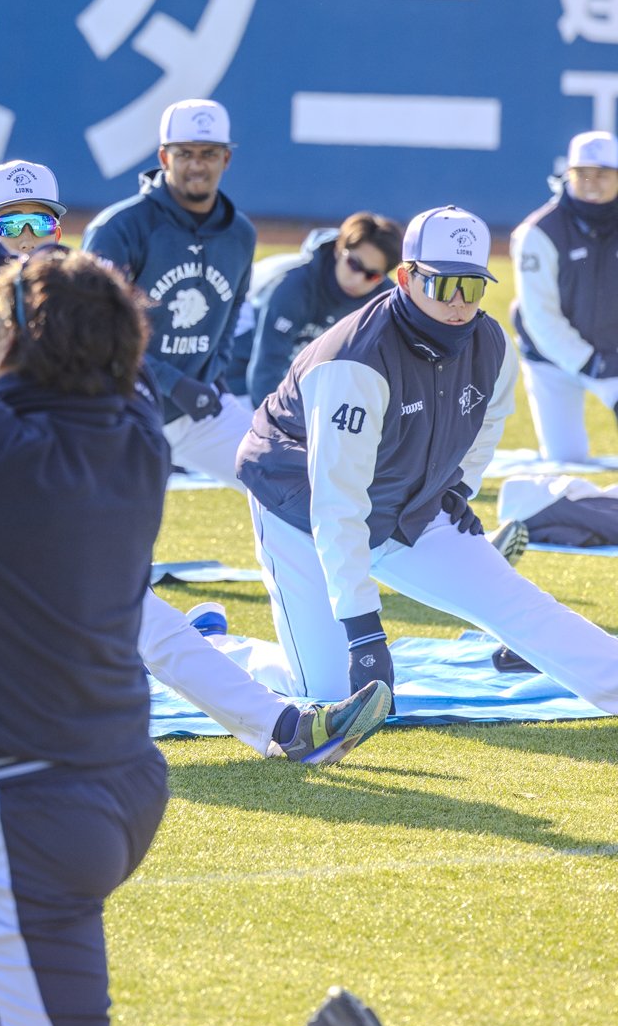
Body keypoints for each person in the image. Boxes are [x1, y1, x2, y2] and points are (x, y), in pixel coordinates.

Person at [0, 225, 426, 1026]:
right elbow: (107, 335)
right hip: (116, 782)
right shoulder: (137, 435)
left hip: (29, 816)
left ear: (19, 344)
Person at [0, 165, 389, 768]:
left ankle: (287, 727)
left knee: (144, 625)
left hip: (55, 522)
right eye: (7, 223)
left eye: (39, 220)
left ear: (59, 228)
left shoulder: (80, 314)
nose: (24, 238)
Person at [239, 207, 618, 711]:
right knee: (327, 695)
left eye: (472, 285)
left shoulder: (492, 344)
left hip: (407, 503)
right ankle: (211, 650)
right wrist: (363, 628)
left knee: (517, 603)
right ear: (406, 278)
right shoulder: (355, 362)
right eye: (443, 285)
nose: (459, 302)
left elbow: (487, 423)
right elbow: (336, 503)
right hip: (299, 505)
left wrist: (457, 486)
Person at [84, 99, 257, 483]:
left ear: (226, 159)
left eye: (209, 153)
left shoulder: (240, 234)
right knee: (109, 530)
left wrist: (213, 370)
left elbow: (232, 309)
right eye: (185, 153)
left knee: (285, 482)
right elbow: (98, 332)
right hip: (117, 407)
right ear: (164, 157)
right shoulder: (120, 227)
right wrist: (174, 384)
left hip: (198, 408)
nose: (197, 164)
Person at [510, 129, 618, 463]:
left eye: (602, 173)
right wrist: (589, 362)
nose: (591, 182)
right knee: (565, 460)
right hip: (551, 359)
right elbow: (539, 314)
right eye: (582, 173)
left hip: (614, 355)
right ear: (567, 174)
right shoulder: (539, 231)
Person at [238, 213, 399, 404]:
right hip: (240, 376)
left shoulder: (385, 302)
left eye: (371, 275)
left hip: (301, 384)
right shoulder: (293, 287)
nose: (357, 280)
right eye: (354, 264)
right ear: (339, 250)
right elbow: (265, 373)